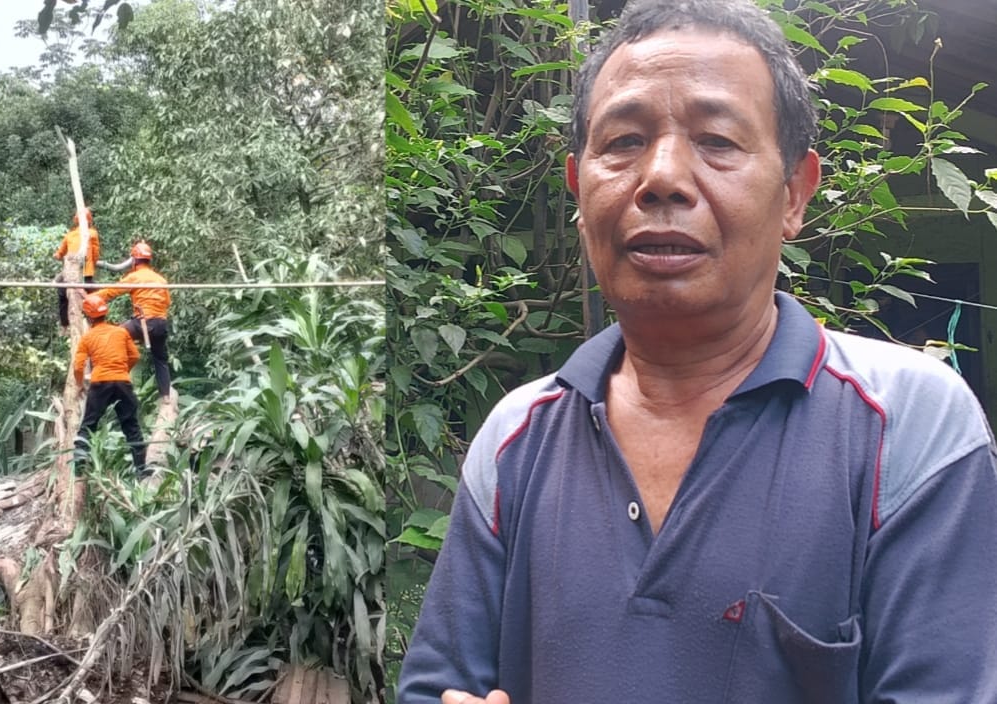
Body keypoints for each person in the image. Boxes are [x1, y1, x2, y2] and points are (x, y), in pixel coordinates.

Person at [396, 1, 997, 702]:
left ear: (794, 193)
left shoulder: (911, 428)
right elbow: (437, 687)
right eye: (624, 141)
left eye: (717, 140)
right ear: (579, 191)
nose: (662, 177)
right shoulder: (516, 441)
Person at [72, 294, 147, 477]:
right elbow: (135, 356)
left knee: (89, 424)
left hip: (100, 383)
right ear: (105, 313)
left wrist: (80, 384)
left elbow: (78, 366)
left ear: (88, 317)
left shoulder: (87, 338)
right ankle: (141, 470)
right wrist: (122, 371)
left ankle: (79, 468)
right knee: (131, 425)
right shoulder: (121, 332)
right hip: (122, 382)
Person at [91, 241, 173, 400]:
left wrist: (92, 297)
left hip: (142, 322)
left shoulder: (135, 277)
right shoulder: (161, 280)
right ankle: (166, 396)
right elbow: (167, 302)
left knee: (112, 337)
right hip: (160, 324)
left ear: (134, 261)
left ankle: (106, 375)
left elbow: (112, 291)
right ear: (149, 260)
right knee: (160, 360)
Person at [55, 207, 100, 331]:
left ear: (76, 220)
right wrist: (93, 263)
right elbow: (96, 253)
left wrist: (58, 256)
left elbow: (59, 254)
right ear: (89, 220)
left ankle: (65, 324)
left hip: (70, 275)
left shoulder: (70, 235)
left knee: (62, 293)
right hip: (86, 273)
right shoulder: (92, 233)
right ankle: (96, 321)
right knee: (94, 296)